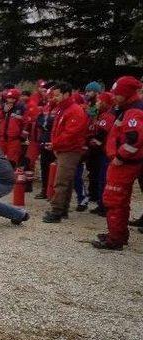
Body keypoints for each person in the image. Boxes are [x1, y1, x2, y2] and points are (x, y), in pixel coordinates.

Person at [92, 76, 143, 250]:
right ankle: (118, 234)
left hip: (125, 164)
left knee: (114, 200)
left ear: (127, 93)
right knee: (118, 200)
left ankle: (115, 239)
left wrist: (120, 157)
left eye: (117, 94)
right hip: (126, 162)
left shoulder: (133, 111)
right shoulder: (128, 108)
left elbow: (134, 140)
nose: (114, 96)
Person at [42, 82, 89, 223]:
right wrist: (55, 145)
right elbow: (59, 130)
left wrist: (55, 144)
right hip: (63, 149)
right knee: (66, 182)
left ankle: (56, 211)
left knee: (61, 181)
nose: (55, 98)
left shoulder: (74, 111)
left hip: (70, 150)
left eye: (57, 95)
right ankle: (62, 210)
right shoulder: (63, 109)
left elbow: (71, 133)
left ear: (66, 94)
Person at [87, 92, 116, 216]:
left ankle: (103, 206)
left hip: (104, 152)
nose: (98, 103)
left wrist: (95, 141)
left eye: (100, 101)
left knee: (103, 180)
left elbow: (102, 133)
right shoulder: (102, 115)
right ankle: (101, 203)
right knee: (99, 178)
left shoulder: (108, 115)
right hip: (101, 152)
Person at [0, 88, 25, 168]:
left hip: (14, 140)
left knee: (12, 162)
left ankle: (11, 178)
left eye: (12, 98)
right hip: (1, 139)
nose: (10, 100)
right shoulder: (2, 106)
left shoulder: (21, 108)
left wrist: (23, 136)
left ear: (16, 99)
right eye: (9, 98)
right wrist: (4, 111)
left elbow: (25, 123)